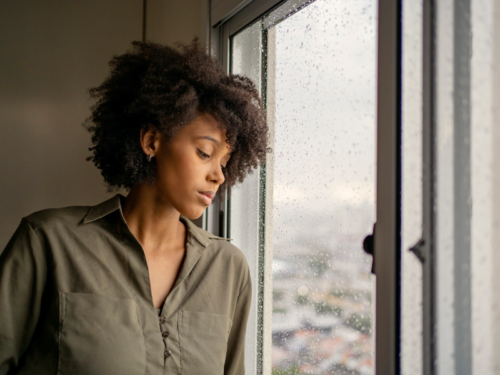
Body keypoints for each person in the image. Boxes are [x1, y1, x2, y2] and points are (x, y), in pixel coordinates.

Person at [0, 38, 271, 375]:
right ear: (151, 141)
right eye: (204, 152)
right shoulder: (48, 242)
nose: (218, 175)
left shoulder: (229, 269)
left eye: (226, 161)